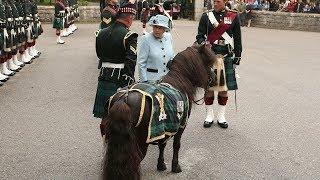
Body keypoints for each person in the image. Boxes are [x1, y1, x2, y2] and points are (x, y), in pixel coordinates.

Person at [196, 0, 242, 129]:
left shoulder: (233, 16)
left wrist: (238, 55)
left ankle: (221, 116)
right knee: (209, 88)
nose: (214, 3)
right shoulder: (206, 16)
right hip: (210, 57)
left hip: (226, 57)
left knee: (224, 89)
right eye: (213, 1)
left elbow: (237, 38)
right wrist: (205, 44)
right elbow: (199, 36)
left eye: (218, 1)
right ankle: (209, 116)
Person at [93, 2, 138, 131]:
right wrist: (128, 82)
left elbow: (99, 54)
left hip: (104, 77)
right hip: (121, 79)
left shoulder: (100, 33)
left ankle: (106, 139)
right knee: (122, 116)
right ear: (129, 17)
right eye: (132, 18)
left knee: (105, 115)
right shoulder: (129, 35)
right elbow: (131, 61)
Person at [137, 14, 174, 83]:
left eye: (160, 28)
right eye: (155, 27)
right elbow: (141, 63)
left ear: (164, 29)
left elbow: (172, 55)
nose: (157, 30)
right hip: (151, 80)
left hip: (167, 79)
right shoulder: (146, 39)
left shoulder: (168, 37)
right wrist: (144, 81)